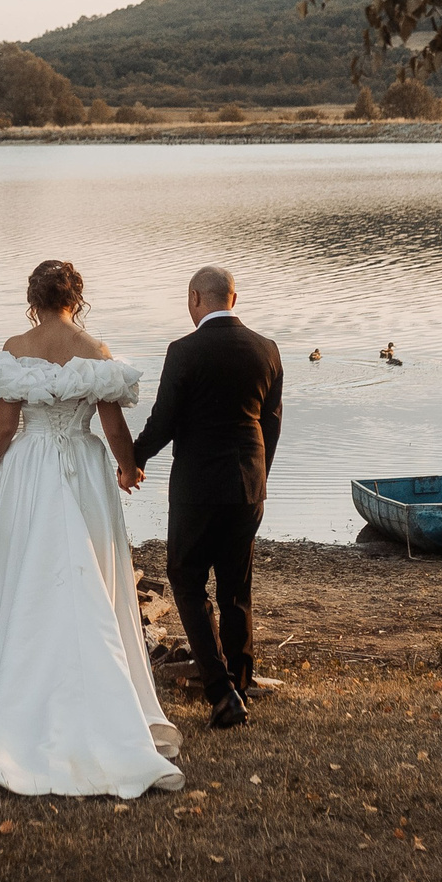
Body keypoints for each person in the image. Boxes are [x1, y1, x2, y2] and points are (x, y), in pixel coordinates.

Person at [0, 259, 182, 798]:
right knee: (88, 575)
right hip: (85, 469)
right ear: (77, 298)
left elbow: (5, 427)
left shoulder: (17, 347)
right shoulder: (96, 352)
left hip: (31, 467)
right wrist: (128, 469)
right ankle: (104, 703)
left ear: (34, 299)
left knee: (29, 574)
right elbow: (113, 426)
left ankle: (16, 703)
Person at [131, 265, 282, 731]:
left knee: (188, 580)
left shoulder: (184, 351)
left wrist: (133, 459)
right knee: (236, 587)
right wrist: (257, 476)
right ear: (234, 299)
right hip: (248, 483)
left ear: (195, 298)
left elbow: (164, 421)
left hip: (197, 487)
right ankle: (241, 681)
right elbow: (271, 423)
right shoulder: (267, 349)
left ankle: (222, 692)